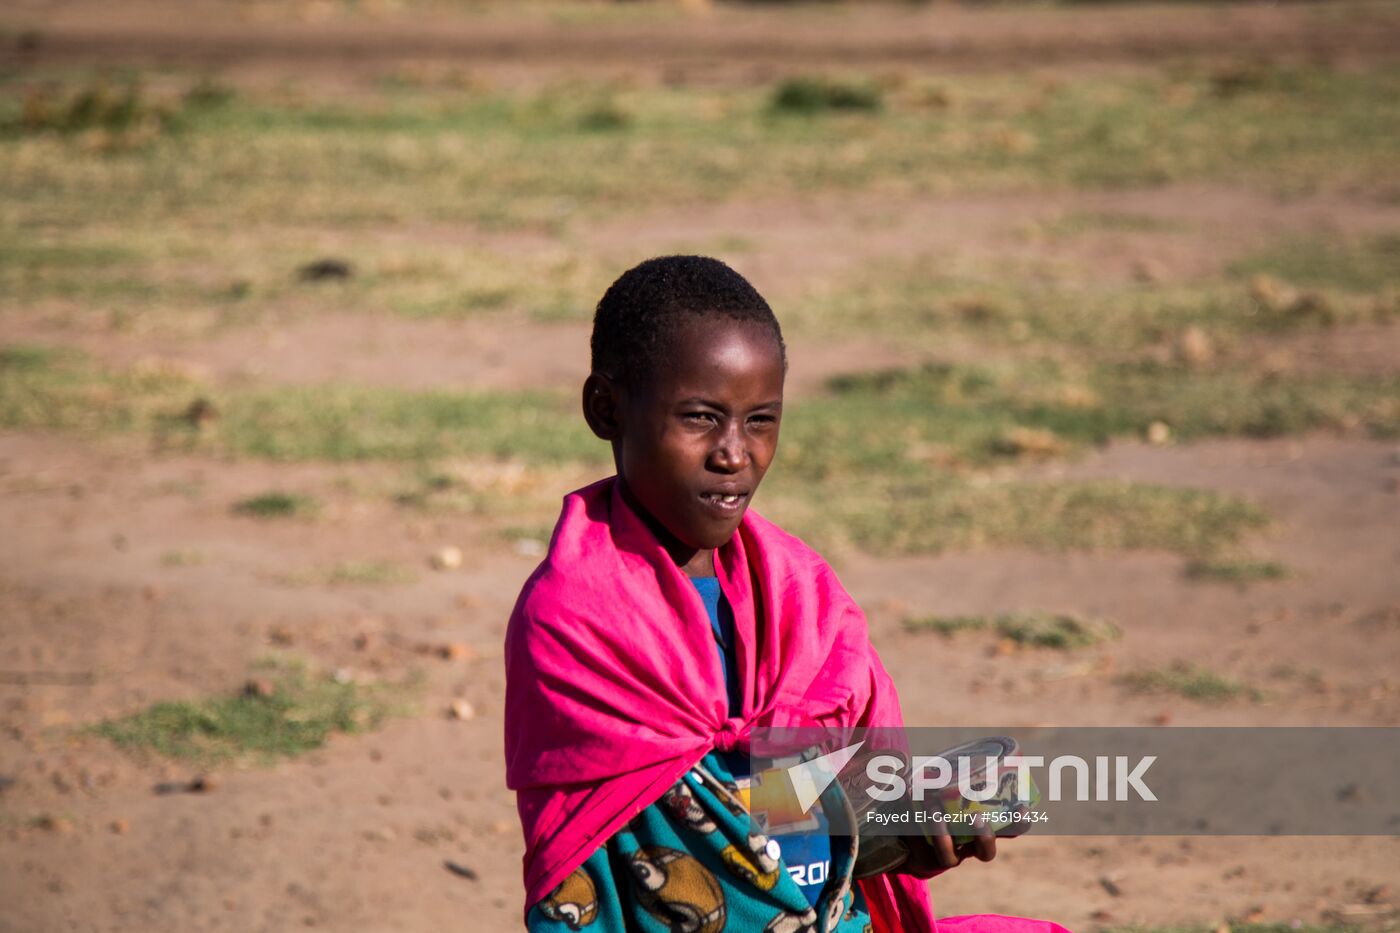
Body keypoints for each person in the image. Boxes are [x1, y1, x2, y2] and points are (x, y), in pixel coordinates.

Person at [505, 256, 1067, 933]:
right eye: (700, 417)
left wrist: (907, 826)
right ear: (606, 408)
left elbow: (795, 810)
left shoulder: (802, 601)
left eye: (760, 420)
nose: (733, 452)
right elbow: (663, 840)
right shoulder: (578, 617)